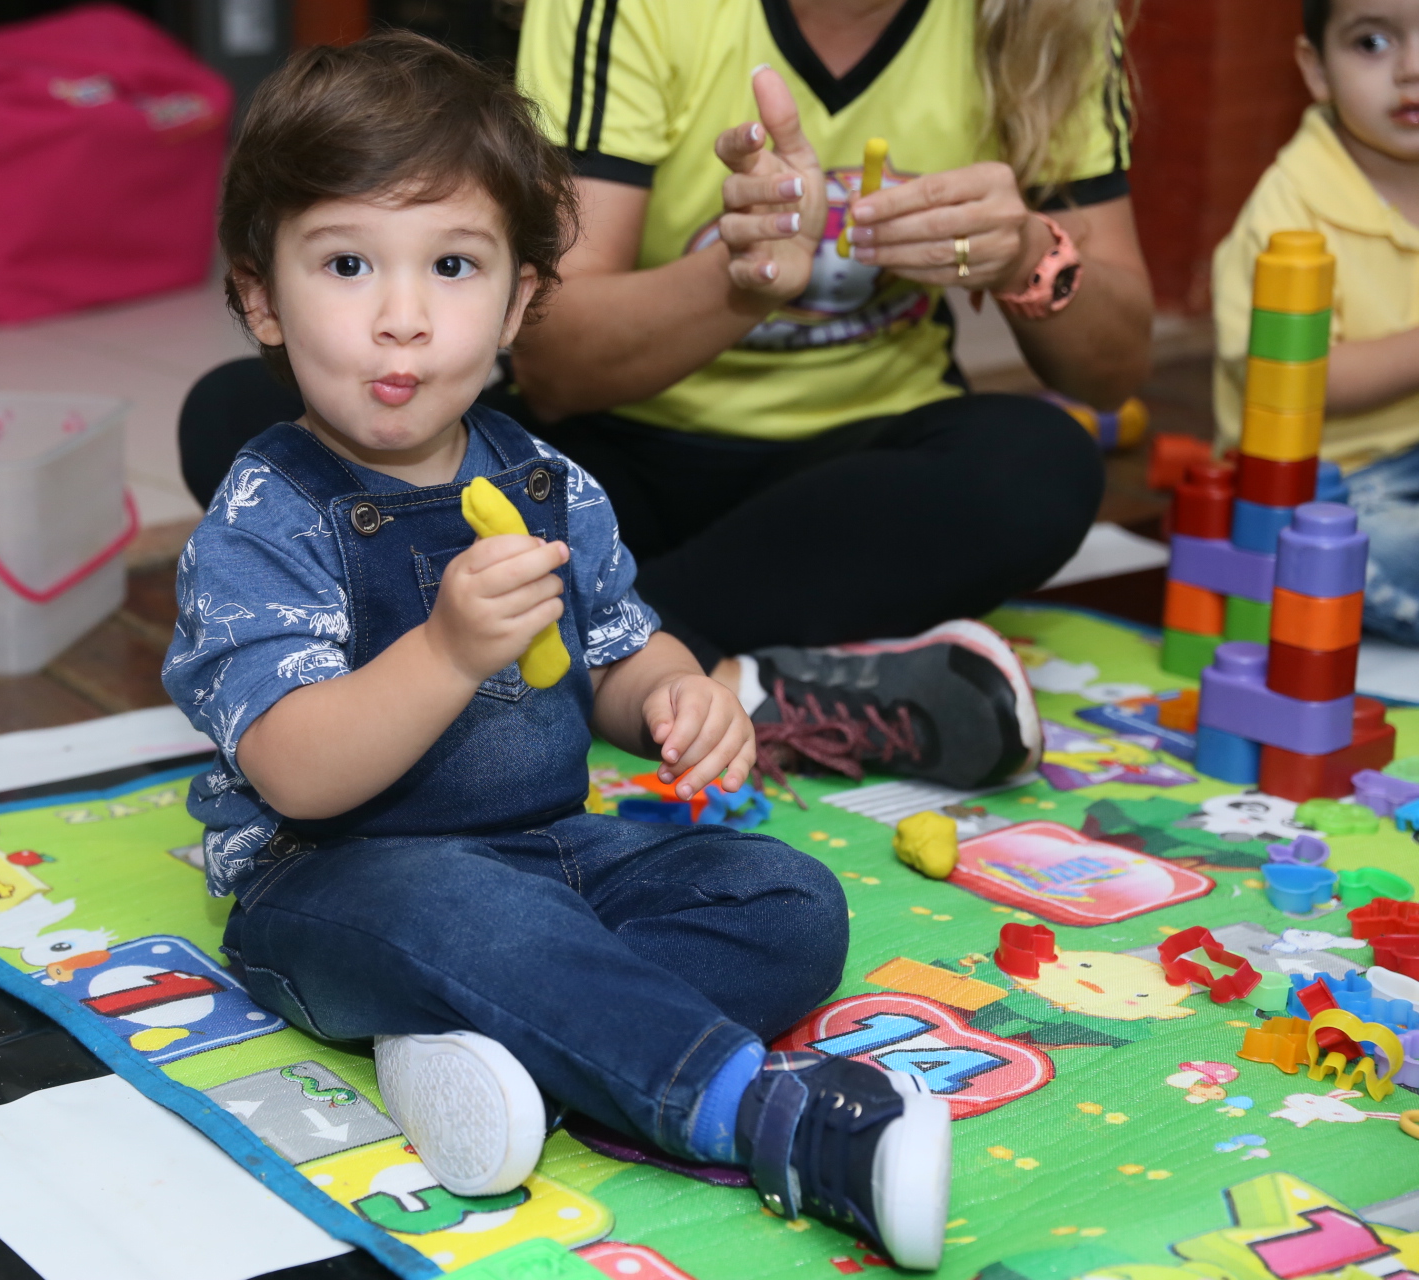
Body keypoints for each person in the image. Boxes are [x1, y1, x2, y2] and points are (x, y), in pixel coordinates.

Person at [163, 33, 953, 1269]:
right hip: (336, 880)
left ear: (524, 298)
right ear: (262, 295)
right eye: (348, 262)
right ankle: (763, 1113)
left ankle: (487, 1040)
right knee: (456, 911)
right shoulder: (266, 515)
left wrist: (676, 696)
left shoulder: (550, 482)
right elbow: (299, 774)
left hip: (549, 852)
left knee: (787, 902)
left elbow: (624, 651)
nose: (403, 315)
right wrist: (443, 648)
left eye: (456, 264)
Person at [182, 0, 1151, 792]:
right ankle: (724, 675)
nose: (397, 311)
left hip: (841, 488)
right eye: (350, 264)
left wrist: (1032, 252)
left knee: (1041, 461)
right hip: (603, 459)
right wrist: (738, 278)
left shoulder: (1050, 19)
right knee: (258, 424)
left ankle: (619, 655)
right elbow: (552, 359)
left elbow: (1109, 373)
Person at [1213, 0, 1419, 644]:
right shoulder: (1290, 207)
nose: (1412, 69)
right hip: (1321, 481)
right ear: (1317, 69)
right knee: (1366, 548)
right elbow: (1305, 383)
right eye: (1373, 43)